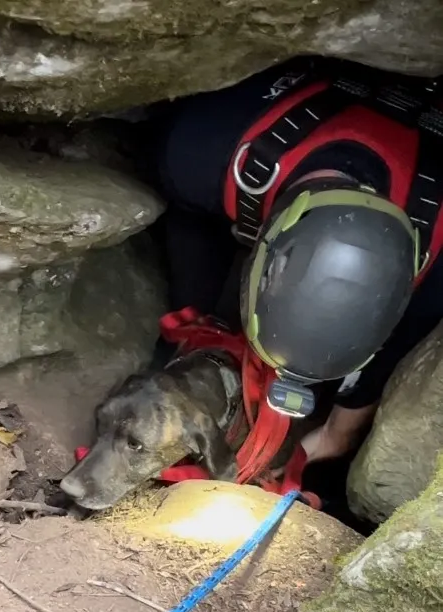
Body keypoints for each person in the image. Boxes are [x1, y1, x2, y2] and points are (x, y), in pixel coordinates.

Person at [154, 54, 443, 465]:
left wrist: (326, 441)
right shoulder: (199, 149)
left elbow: (389, 359)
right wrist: (198, 320)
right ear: (262, 251)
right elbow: (189, 220)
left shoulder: (432, 275)